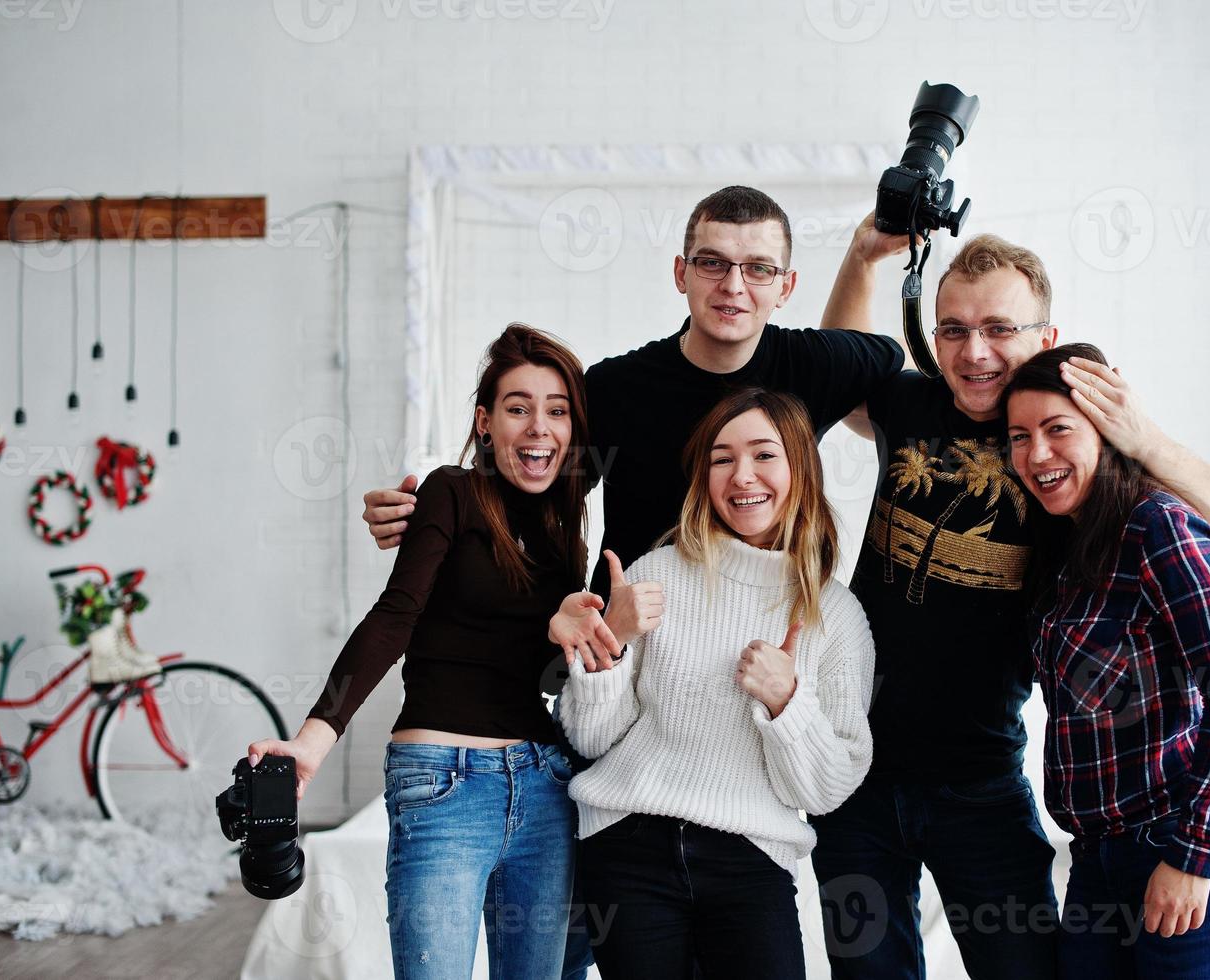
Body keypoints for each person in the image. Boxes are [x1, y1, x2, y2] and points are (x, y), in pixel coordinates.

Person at [362, 185, 908, 980]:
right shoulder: (616, 389)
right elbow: (529, 470)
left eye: (759, 271)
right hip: (621, 664)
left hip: (734, 755)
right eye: (714, 264)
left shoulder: (815, 364)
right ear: (680, 272)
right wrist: (432, 514)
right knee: (576, 942)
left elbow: (882, 365)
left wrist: (862, 260)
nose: (734, 287)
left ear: (786, 286)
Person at [808, 228, 1210, 980]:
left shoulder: (1075, 466)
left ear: (1044, 339)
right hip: (856, 770)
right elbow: (841, 368)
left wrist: (1143, 437)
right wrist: (866, 257)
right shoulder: (911, 404)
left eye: (1000, 329)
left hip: (982, 782)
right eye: (954, 330)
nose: (974, 353)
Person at [245, 324, 592, 980]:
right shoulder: (449, 492)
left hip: (548, 786)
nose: (539, 427)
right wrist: (315, 739)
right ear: (485, 423)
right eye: (518, 408)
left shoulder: (563, 525)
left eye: (557, 410)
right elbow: (394, 616)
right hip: (444, 781)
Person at [551, 388, 876, 980]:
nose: (741, 475)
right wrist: (612, 645)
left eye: (763, 454)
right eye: (721, 458)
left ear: (800, 467)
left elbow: (828, 789)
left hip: (751, 859)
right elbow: (591, 739)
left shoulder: (835, 613)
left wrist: (787, 703)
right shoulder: (654, 576)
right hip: (628, 847)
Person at [1003, 343, 1210, 980]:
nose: (1037, 455)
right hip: (1100, 854)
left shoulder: (1158, 526)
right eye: (1020, 436)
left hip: (1190, 839)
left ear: (1105, 430)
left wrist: (1194, 858)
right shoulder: (1063, 548)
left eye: (1058, 429)